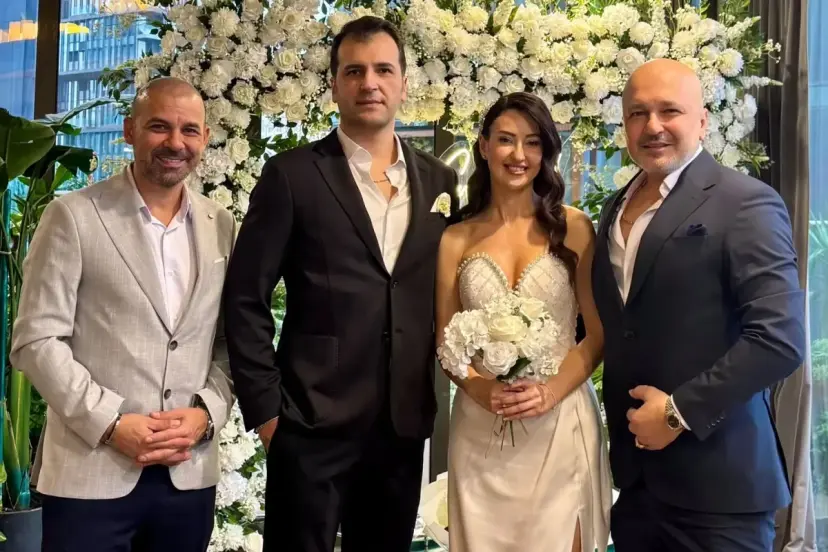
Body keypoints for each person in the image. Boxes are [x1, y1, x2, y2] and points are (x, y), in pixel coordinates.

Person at [222, 16, 458, 552]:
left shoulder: (439, 181)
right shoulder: (292, 175)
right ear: (333, 84)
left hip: (401, 425)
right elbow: (245, 298)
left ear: (404, 84)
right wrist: (267, 412)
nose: (369, 83)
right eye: (354, 71)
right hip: (308, 423)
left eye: (383, 70)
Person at [10, 77, 236, 552]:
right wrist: (111, 423)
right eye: (159, 127)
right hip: (91, 472)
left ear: (205, 137)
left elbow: (231, 341)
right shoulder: (74, 215)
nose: (175, 143)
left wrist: (206, 414)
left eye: (189, 130)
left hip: (188, 476)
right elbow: (36, 340)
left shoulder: (221, 225)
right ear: (130, 130)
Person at [591, 58, 806, 551]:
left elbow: (779, 338)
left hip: (720, 485)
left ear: (703, 120)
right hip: (636, 483)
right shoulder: (613, 207)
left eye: (670, 110)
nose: (653, 126)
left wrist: (677, 413)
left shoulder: (745, 201)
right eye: (638, 113)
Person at [435, 92, 612, 552]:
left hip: (561, 422)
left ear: (545, 151)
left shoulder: (574, 227)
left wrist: (549, 392)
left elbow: (597, 336)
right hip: (480, 429)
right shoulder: (455, 238)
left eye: (532, 142)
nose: (519, 154)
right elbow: (446, 343)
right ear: (483, 145)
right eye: (506, 140)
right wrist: (480, 388)